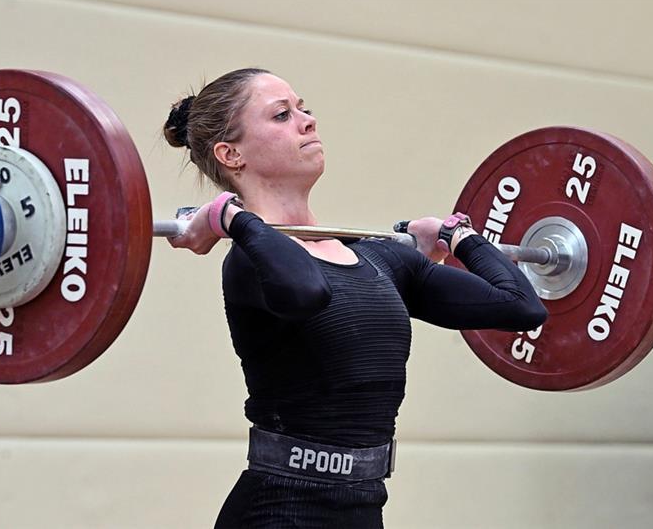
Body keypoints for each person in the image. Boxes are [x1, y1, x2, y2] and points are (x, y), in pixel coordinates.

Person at [163, 68, 547, 528]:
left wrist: (458, 235)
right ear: (231, 154)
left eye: (304, 109)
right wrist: (234, 219)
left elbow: (520, 306)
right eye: (282, 115)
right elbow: (306, 291)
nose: (307, 121)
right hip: (276, 511)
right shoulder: (251, 263)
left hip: (362, 511)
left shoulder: (382, 259)